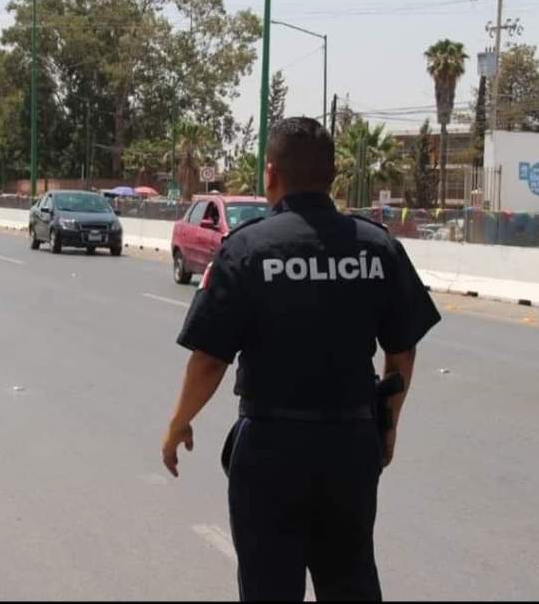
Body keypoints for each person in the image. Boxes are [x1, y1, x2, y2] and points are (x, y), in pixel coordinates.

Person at [161, 117, 441, 601]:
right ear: (332, 175)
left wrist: (178, 423)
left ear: (271, 174)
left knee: (270, 586)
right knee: (350, 580)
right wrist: (387, 425)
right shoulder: (377, 247)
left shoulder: (247, 249)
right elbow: (402, 349)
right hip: (351, 447)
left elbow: (210, 359)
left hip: (271, 449)